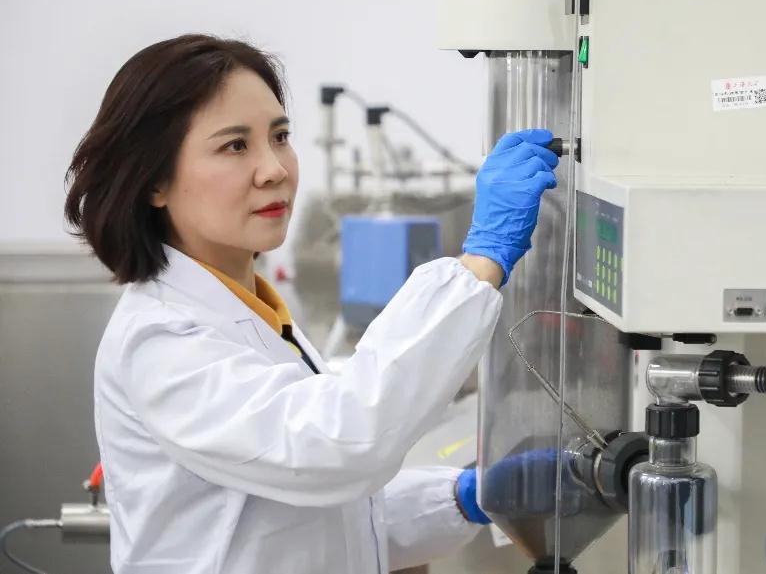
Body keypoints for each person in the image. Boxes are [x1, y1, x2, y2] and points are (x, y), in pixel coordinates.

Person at [63, 34, 559, 574]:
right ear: (154, 181)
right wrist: (481, 259)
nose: (274, 168)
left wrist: (466, 497)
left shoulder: (255, 315)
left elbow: (320, 524)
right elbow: (340, 445)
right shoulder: (162, 341)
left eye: (280, 136)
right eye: (235, 146)